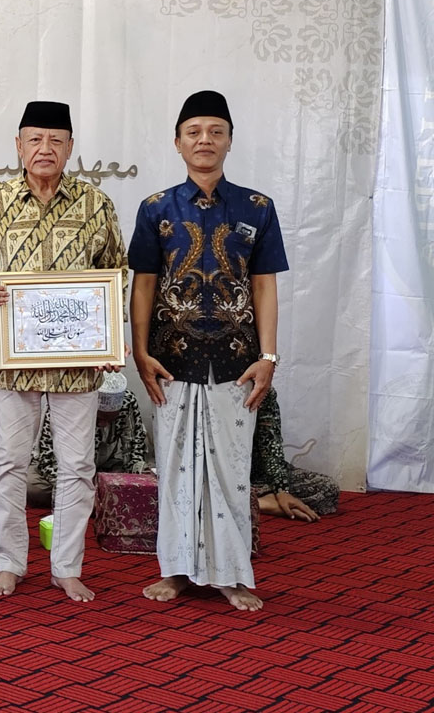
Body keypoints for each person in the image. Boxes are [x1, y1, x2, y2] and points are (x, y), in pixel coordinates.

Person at [0, 101, 128, 602]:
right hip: (14, 364)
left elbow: (117, 273)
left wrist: (107, 336)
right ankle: (10, 563)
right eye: (34, 139)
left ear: (70, 147)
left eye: (56, 140)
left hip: (77, 365)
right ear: (18, 146)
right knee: (9, 463)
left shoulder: (96, 204)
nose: (45, 149)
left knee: (77, 467)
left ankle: (67, 567)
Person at [129, 90, 288, 612]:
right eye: (193, 132)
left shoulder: (256, 208)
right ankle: (176, 571)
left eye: (215, 131)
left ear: (230, 141)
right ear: (177, 143)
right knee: (175, 469)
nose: (205, 140)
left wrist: (268, 357)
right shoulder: (156, 208)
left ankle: (231, 574)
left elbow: (264, 285)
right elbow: (143, 285)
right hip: (170, 360)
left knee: (231, 471)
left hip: (237, 361)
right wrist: (139, 351)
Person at [27, 374, 150, 508]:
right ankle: (97, 498)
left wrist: (134, 478)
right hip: (64, 469)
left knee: (139, 479)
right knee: (32, 488)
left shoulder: (127, 402)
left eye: (109, 419)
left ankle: (100, 495)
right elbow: (48, 460)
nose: (103, 424)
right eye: (100, 418)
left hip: (103, 466)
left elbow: (134, 449)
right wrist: (77, 488)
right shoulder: (67, 405)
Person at [252, 387, 338, 520]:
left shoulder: (262, 389)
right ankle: (260, 503)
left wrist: (281, 490)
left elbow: (271, 445)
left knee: (328, 487)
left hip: (260, 475)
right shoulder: (218, 391)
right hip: (225, 477)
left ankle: (256, 499)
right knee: (218, 491)